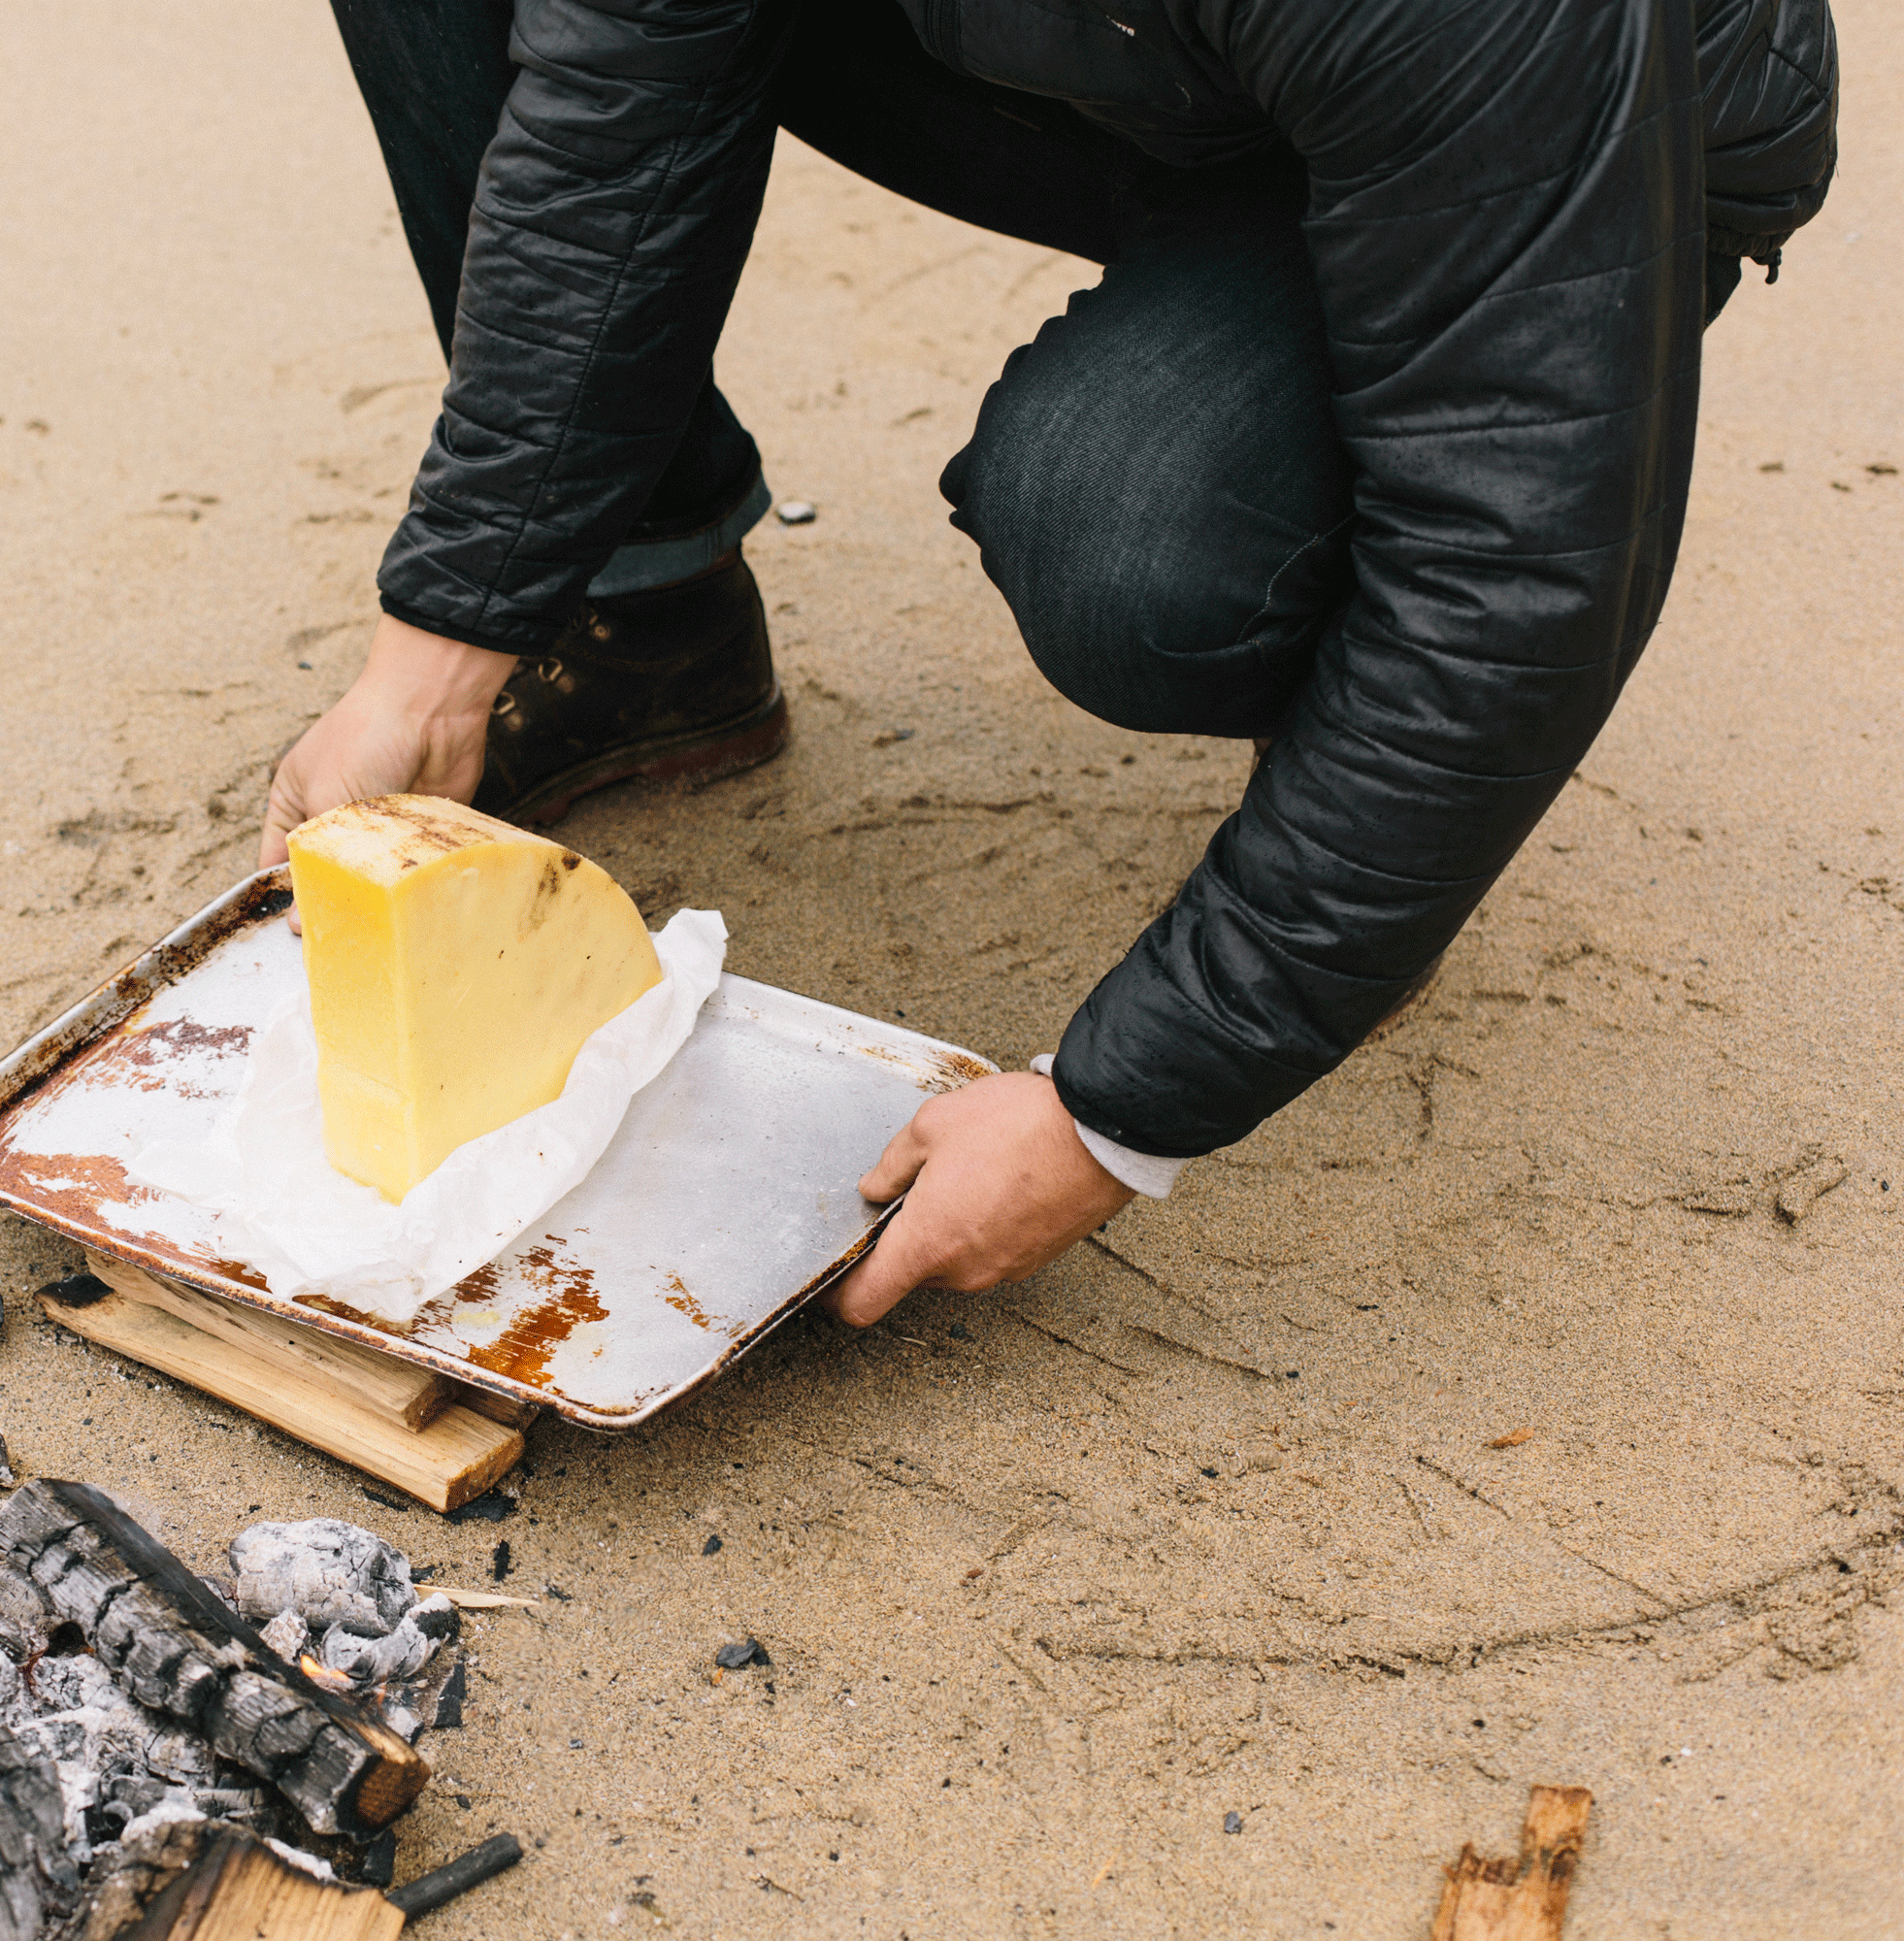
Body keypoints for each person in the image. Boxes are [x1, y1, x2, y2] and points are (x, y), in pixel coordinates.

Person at [261, 0, 1838, 1324]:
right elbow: (610, 116)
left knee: (1140, 537)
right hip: (1149, 66)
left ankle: (1362, 798)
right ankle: (651, 615)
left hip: (1551, 146)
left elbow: (1519, 552)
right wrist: (441, 652)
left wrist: (1119, 1113)